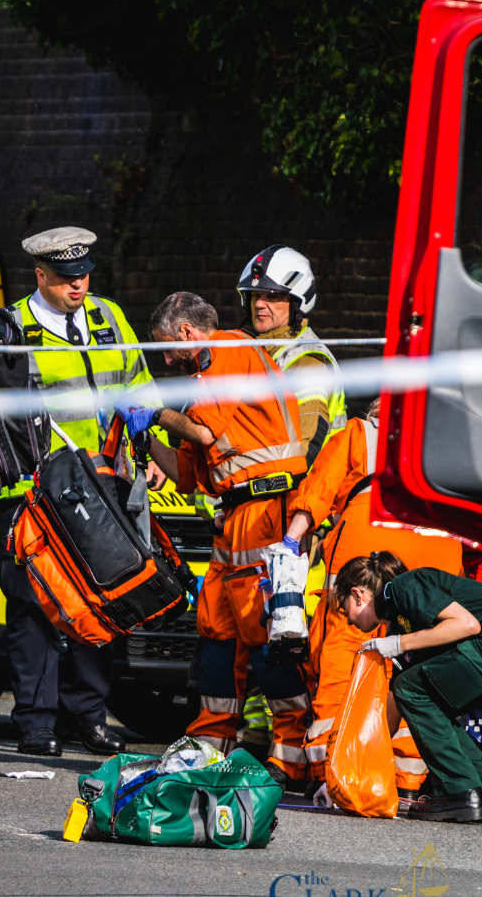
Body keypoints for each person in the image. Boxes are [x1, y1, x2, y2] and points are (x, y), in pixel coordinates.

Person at [121, 291, 310, 789]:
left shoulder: (227, 350)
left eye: (165, 347)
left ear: (186, 334)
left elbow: (203, 436)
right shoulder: (205, 380)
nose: (164, 359)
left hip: (266, 511)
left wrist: (155, 413)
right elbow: (186, 475)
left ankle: (290, 756)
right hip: (237, 514)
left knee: (265, 633)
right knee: (217, 635)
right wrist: (145, 437)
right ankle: (209, 745)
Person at [0, 226, 158, 757]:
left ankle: (85, 716)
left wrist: (147, 446)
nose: (77, 285)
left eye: (83, 275)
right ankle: (36, 724)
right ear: (39, 275)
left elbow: (139, 385)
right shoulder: (11, 328)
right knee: (34, 605)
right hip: (36, 489)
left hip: (102, 486)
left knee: (102, 600)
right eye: (65, 277)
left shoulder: (107, 318)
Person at [282, 399, 460, 798]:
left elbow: (317, 493)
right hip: (439, 545)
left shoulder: (360, 434)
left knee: (347, 652)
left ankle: (335, 770)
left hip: (371, 531)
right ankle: (405, 778)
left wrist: (291, 542)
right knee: (422, 662)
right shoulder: (454, 442)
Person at [335, 552, 482, 822]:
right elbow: (395, 705)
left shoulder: (403, 587)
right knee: (432, 700)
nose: (348, 620)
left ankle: (459, 792)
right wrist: (344, 777)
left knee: (411, 688)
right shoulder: (401, 622)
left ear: (357, 595)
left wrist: (400, 644)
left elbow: (467, 625)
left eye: (345, 609)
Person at [237, 246, 346, 463]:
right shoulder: (257, 351)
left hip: (298, 494)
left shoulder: (307, 362)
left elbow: (304, 452)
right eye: (256, 294)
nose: (259, 303)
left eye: (272, 296)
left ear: (297, 302)